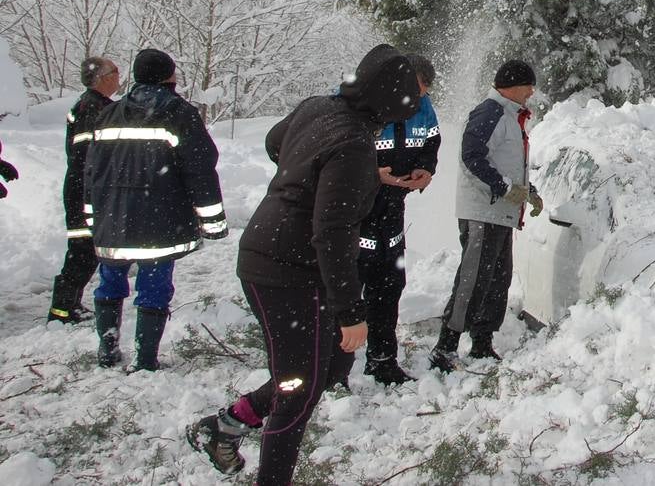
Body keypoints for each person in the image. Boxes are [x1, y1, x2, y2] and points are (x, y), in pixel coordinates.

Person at [189, 45, 419, 483]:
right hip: (283, 269)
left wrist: (307, 174)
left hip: (280, 255)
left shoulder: (319, 108)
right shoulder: (354, 144)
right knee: (298, 388)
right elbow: (331, 234)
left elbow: (275, 142)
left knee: (329, 366)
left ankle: (224, 425)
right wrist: (353, 312)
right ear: (391, 101)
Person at [86, 49, 226, 371]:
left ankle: (107, 350)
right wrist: (213, 222)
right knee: (154, 287)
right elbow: (201, 169)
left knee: (109, 281)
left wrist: (93, 217)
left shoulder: (109, 115)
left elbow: (91, 172)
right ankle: (145, 359)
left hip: (113, 220)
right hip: (159, 221)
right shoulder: (180, 114)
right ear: (169, 77)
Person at [332, 53, 441, 387]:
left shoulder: (423, 107)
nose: (423, 96)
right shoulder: (355, 105)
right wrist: (372, 176)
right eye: (420, 88)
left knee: (389, 287)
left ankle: (382, 361)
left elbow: (432, 140)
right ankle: (332, 370)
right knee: (346, 292)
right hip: (354, 215)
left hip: (393, 212)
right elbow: (333, 156)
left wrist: (426, 168)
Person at [429, 60, 543, 372]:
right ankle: (445, 347)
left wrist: (527, 191)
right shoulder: (490, 112)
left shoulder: (510, 116)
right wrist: (503, 188)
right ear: (511, 85)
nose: (532, 91)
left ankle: (481, 343)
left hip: (501, 213)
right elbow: (471, 156)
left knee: (497, 279)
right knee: (474, 279)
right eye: (528, 85)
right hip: (482, 211)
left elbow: (506, 163)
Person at [48, 56, 120, 324]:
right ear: (102, 77)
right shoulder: (92, 108)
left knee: (86, 251)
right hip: (84, 190)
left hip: (87, 188)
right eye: (114, 71)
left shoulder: (96, 105)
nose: (118, 76)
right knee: (82, 251)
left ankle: (68, 306)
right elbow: (85, 156)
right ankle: (62, 311)